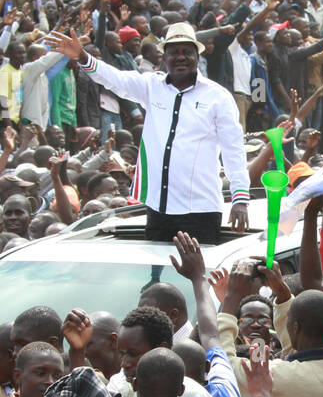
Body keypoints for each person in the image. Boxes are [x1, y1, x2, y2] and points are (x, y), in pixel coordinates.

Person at [45, 21, 250, 243]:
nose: (181, 57)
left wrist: (240, 198)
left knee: (196, 276)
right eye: (174, 52)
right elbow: (115, 79)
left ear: (197, 57)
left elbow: (233, 150)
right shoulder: (151, 86)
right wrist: (83, 56)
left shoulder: (217, 97)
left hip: (200, 210)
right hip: (158, 208)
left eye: (187, 52)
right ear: (164, 58)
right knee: (157, 277)